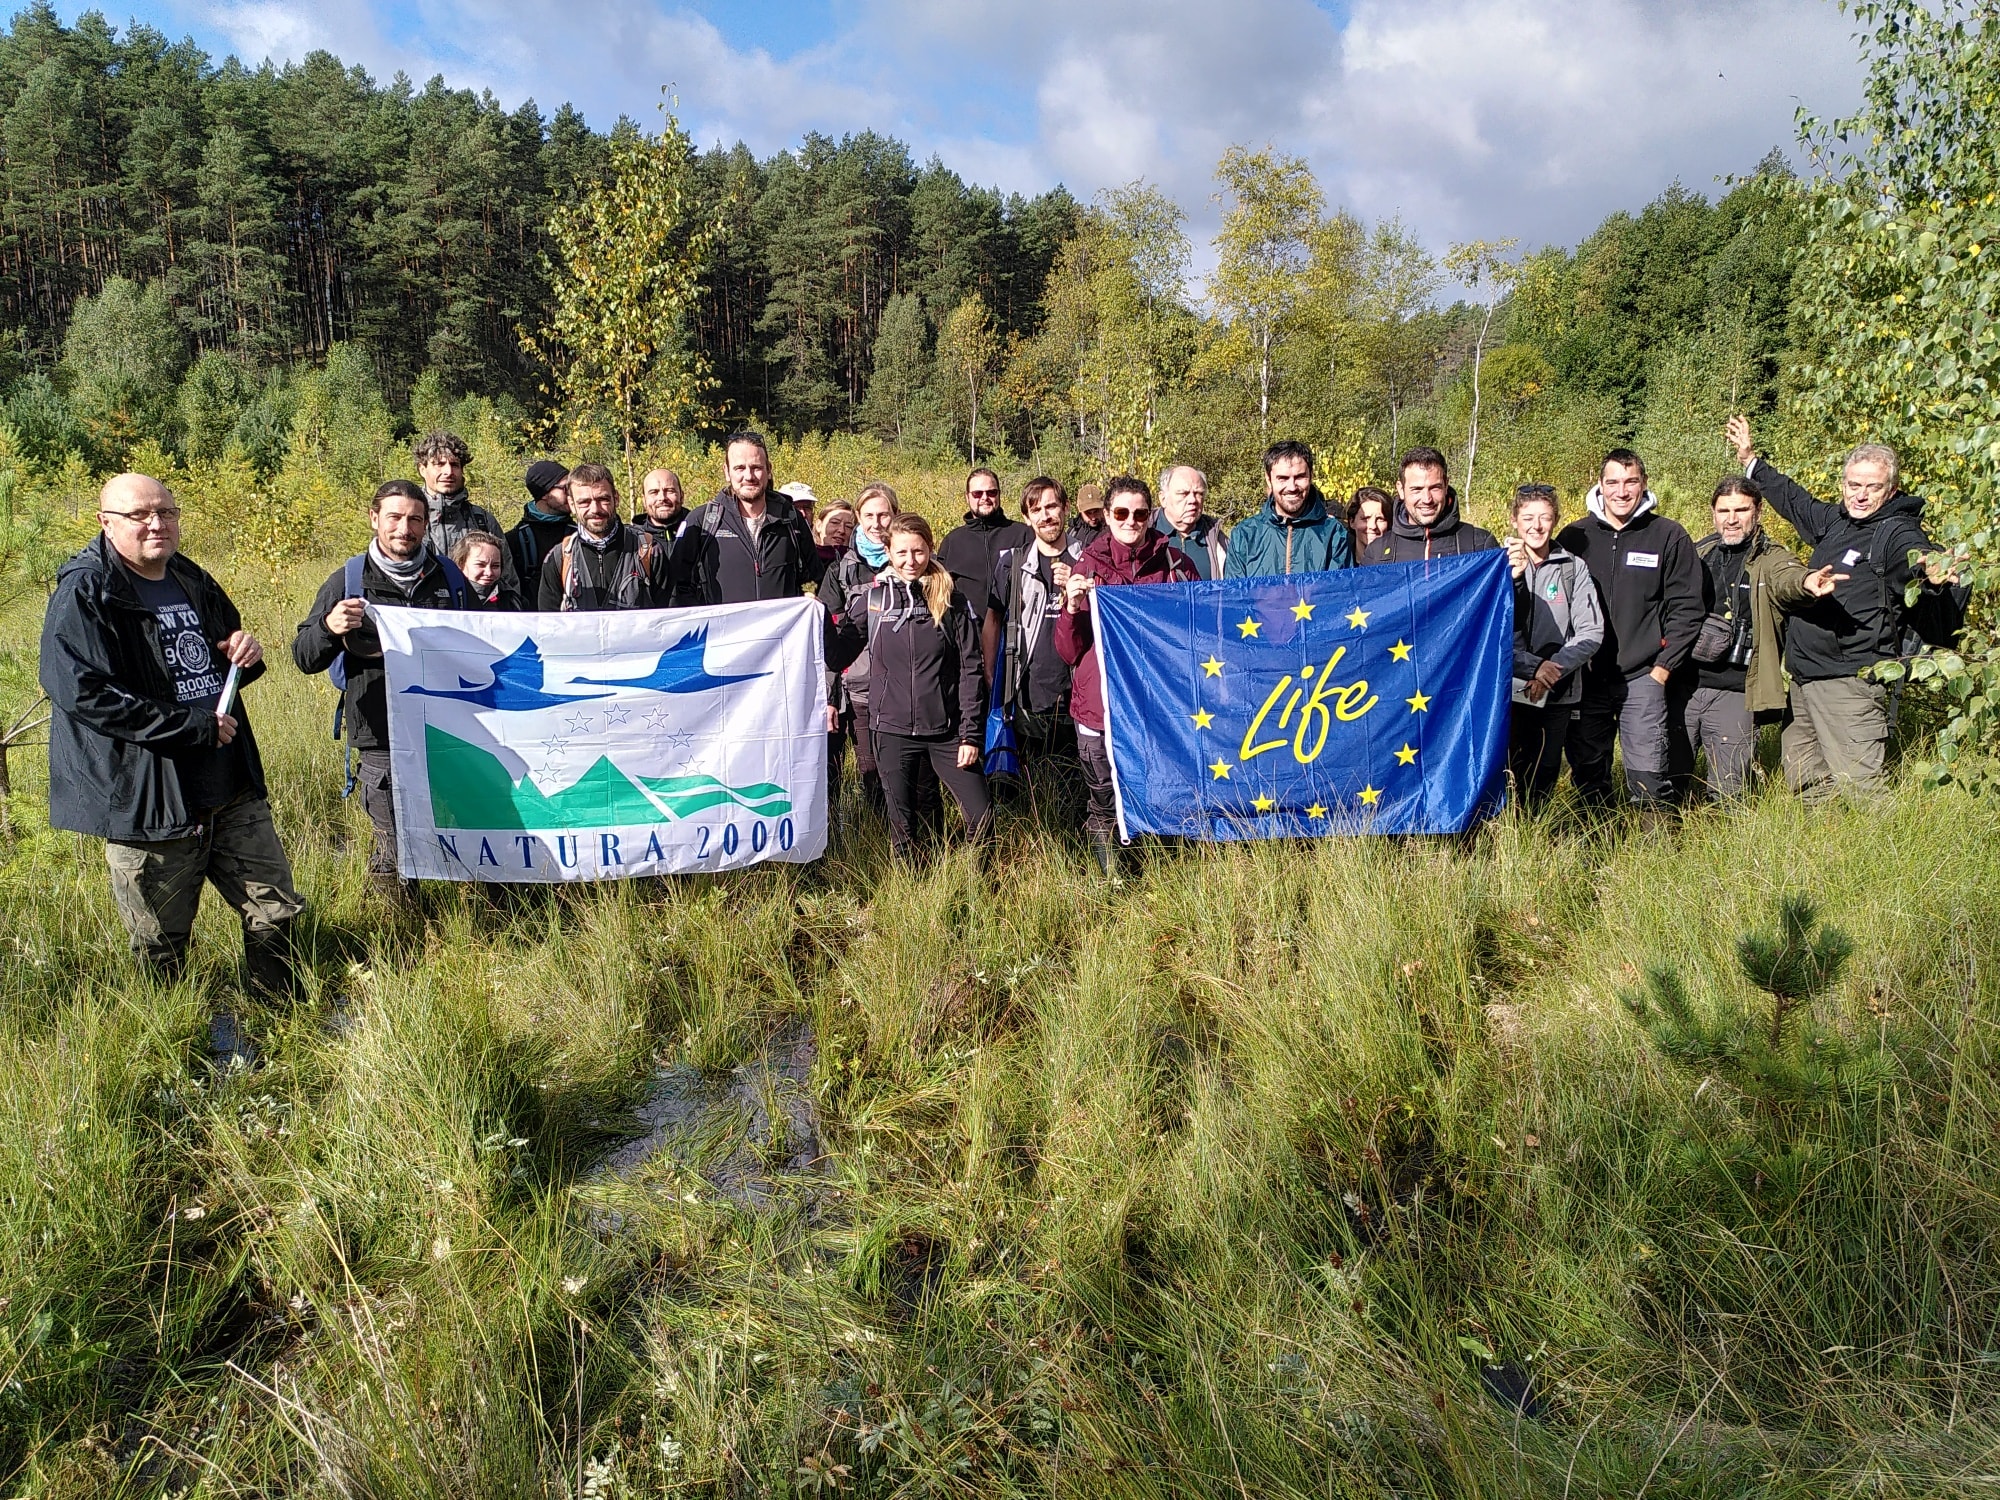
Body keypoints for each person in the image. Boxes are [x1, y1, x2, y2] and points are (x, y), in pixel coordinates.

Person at [42, 473, 304, 1010]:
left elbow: (221, 652)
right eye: (140, 515)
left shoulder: (188, 575)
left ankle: (282, 1022)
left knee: (276, 911)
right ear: (106, 523)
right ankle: (174, 1045)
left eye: (165, 511)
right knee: (160, 943)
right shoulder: (88, 591)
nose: (156, 524)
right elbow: (82, 692)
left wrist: (241, 652)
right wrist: (190, 727)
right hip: (150, 797)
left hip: (230, 784)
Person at [1727, 416, 1967, 800]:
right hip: (1805, 678)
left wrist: (1932, 568)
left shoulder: (1895, 531)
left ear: (1891, 490)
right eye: (1854, 485)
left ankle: (1888, 856)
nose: (1860, 495)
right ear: (1844, 484)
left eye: (1873, 487)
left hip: (1850, 680)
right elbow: (1796, 502)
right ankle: (1826, 853)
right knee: (1807, 784)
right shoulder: (1838, 522)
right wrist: (1752, 462)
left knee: (1863, 788)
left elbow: (1916, 554)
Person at [293, 479, 472, 893]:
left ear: (426, 524)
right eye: (394, 517)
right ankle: (401, 937)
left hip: (448, 730)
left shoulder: (448, 577)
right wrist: (327, 627)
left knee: (464, 827)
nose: (403, 528)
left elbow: (478, 645)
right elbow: (303, 656)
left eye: (414, 519)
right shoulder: (349, 579)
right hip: (380, 733)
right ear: (375, 519)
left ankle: (474, 919)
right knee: (393, 845)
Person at [1057, 475, 1201, 878]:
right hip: (1100, 707)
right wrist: (1071, 608)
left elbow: (1197, 632)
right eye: (1121, 512)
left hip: (1157, 704)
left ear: (1151, 515)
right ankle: (1110, 879)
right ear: (1106, 516)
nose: (1131, 521)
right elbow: (1068, 651)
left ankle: (1167, 871)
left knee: (1162, 789)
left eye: (1139, 513)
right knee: (1104, 797)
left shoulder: (1175, 565)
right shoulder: (1085, 567)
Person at [829, 513, 991, 863]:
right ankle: (916, 894)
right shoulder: (872, 602)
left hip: (947, 732)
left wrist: (970, 735)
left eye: (918, 551)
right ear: (888, 551)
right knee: (904, 826)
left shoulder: (953, 602)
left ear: (930, 549)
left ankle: (977, 886)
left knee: (980, 814)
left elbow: (971, 671)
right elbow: (838, 654)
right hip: (891, 730)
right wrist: (817, 619)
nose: (910, 560)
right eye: (902, 552)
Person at [1674, 476, 1841, 800]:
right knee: (1667, 775)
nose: (1731, 519)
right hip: (1685, 685)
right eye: (1724, 510)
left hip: (1736, 689)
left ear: (1758, 511)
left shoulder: (1770, 557)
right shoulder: (1699, 551)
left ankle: (1728, 847)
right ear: (1713, 512)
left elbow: (1787, 577)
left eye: (1741, 509)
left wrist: (1808, 583)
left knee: (1729, 788)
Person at [1556, 448, 1705, 809]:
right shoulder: (1574, 536)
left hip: (1644, 677)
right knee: (1589, 775)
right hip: (1587, 679)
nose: (1621, 491)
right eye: (1613, 482)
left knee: (1650, 776)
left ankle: (1654, 854)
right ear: (1600, 486)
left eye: (1630, 482)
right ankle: (1597, 847)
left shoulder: (1668, 535)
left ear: (1644, 484)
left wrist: (1662, 668)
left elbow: (1687, 608)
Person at [1505, 484, 1604, 809]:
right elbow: (1498, 632)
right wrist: (1531, 666)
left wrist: (1550, 671)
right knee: (1508, 770)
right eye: (1528, 517)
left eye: (1545, 518)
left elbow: (1591, 632)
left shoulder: (1572, 568)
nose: (1536, 526)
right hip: (1508, 690)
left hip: (1558, 691)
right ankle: (1503, 841)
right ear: (1514, 521)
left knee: (1545, 771)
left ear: (1556, 520)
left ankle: (1534, 840)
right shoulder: (1498, 567)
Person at [985, 476, 1087, 774]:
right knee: (1036, 790)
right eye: (1037, 509)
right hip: (1028, 696)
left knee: (1078, 788)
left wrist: (1079, 588)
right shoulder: (1012, 564)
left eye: (1052, 506)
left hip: (1078, 695)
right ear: (1026, 518)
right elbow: (993, 618)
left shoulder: (1089, 559)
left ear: (1066, 508)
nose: (1046, 515)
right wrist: (992, 673)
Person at [672, 430, 824, 606]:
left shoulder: (790, 519)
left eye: (756, 468)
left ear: (769, 470)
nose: (749, 476)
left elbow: (813, 576)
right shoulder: (703, 522)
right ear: (727, 472)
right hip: (723, 632)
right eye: (740, 468)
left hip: (779, 632)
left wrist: (807, 595)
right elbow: (678, 585)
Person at [823, 482, 898, 814]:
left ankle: (898, 847)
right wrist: (827, 699)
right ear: (858, 517)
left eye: (883, 515)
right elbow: (825, 640)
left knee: (890, 774)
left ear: (895, 516)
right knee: (850, 774)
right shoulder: (839, 570)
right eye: (869, 515)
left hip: (898, 688)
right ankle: (853, 847)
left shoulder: (911, 561)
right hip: (852, 689)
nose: (876, 523)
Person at [538, 463, 672, 611]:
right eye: (584, 502)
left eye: (603, 499)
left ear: (616, 498)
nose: (595, 509)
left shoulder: (650, 552)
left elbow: (669, 623)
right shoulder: (559, 559)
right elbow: (549, 628)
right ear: (572, 504)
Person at [1223, 440, 1353, 578]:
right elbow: (1235, 596)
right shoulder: (1244, 534)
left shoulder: (1333, 534)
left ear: (1311, 475)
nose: (1292, 487)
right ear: (1269, 480)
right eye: (1282, 478)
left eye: (1300, 477)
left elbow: (1339, 594)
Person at [415, 430, 517, 593]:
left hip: (477, 614)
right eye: (439, 464)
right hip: (426, 615)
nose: (448, 472)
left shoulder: (483, 520)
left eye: (455, 464)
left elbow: (508, 582)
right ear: (422, 469)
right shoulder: (409, 520)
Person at [1360, 449, 1500, 563]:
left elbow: (1503, 596)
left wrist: (1517, 581)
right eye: (1417, 489)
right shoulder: (1377, 553)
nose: (1427, 499)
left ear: (1446, 485)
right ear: (1401, 490)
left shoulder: (1479, 544)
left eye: (1435, 488)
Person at [937, 467, 1032, 609]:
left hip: (1017, 628)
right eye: (977, 493)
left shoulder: (1023, 535)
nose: (984, 498)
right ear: (967, 497)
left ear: (999, 495)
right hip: (970, 629)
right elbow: (939, 591)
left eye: (991, 492)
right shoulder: (952, 542)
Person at [1154, 464, 1228, 579]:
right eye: (1183, 493)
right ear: (1163, 499)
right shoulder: (1144, 533)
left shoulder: (1218, 540)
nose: (1192, 500)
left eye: (1199, 493)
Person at [508, 459, 573, 585]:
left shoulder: (581, 534)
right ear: (544, 494)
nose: (572, 494)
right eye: (565, 488)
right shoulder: (514, 541)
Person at [452, 532, 522, 611]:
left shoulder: (512, 601)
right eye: (481, 565)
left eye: (495, 566)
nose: (489, 573)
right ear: (461, 564)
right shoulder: (448, 598)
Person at [635, 467, 689, 542]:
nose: (662, 498)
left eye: (669, 491)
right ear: (644, 500)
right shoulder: (631, 541)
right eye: (654, 492)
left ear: (681, 496)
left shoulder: (702, 534)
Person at [1349, 486, 1392, 553]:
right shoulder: (1338, 560)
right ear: (1352, 522)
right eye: (1365, 518)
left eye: (1380, 519)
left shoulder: (1399, 560)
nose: (1373, 526)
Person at [816, 498, 856, 567]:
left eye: (848, 526)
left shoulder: (857, 564)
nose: (842, 530)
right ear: (819, 525)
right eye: (835, 522)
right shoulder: (804, 560)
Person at [1069, 482, 1107, 549]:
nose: (1093, 517)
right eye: (1088, 513)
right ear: (1079, 510)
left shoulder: (1110, 533)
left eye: (1096, 511)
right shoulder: (1073, 530)